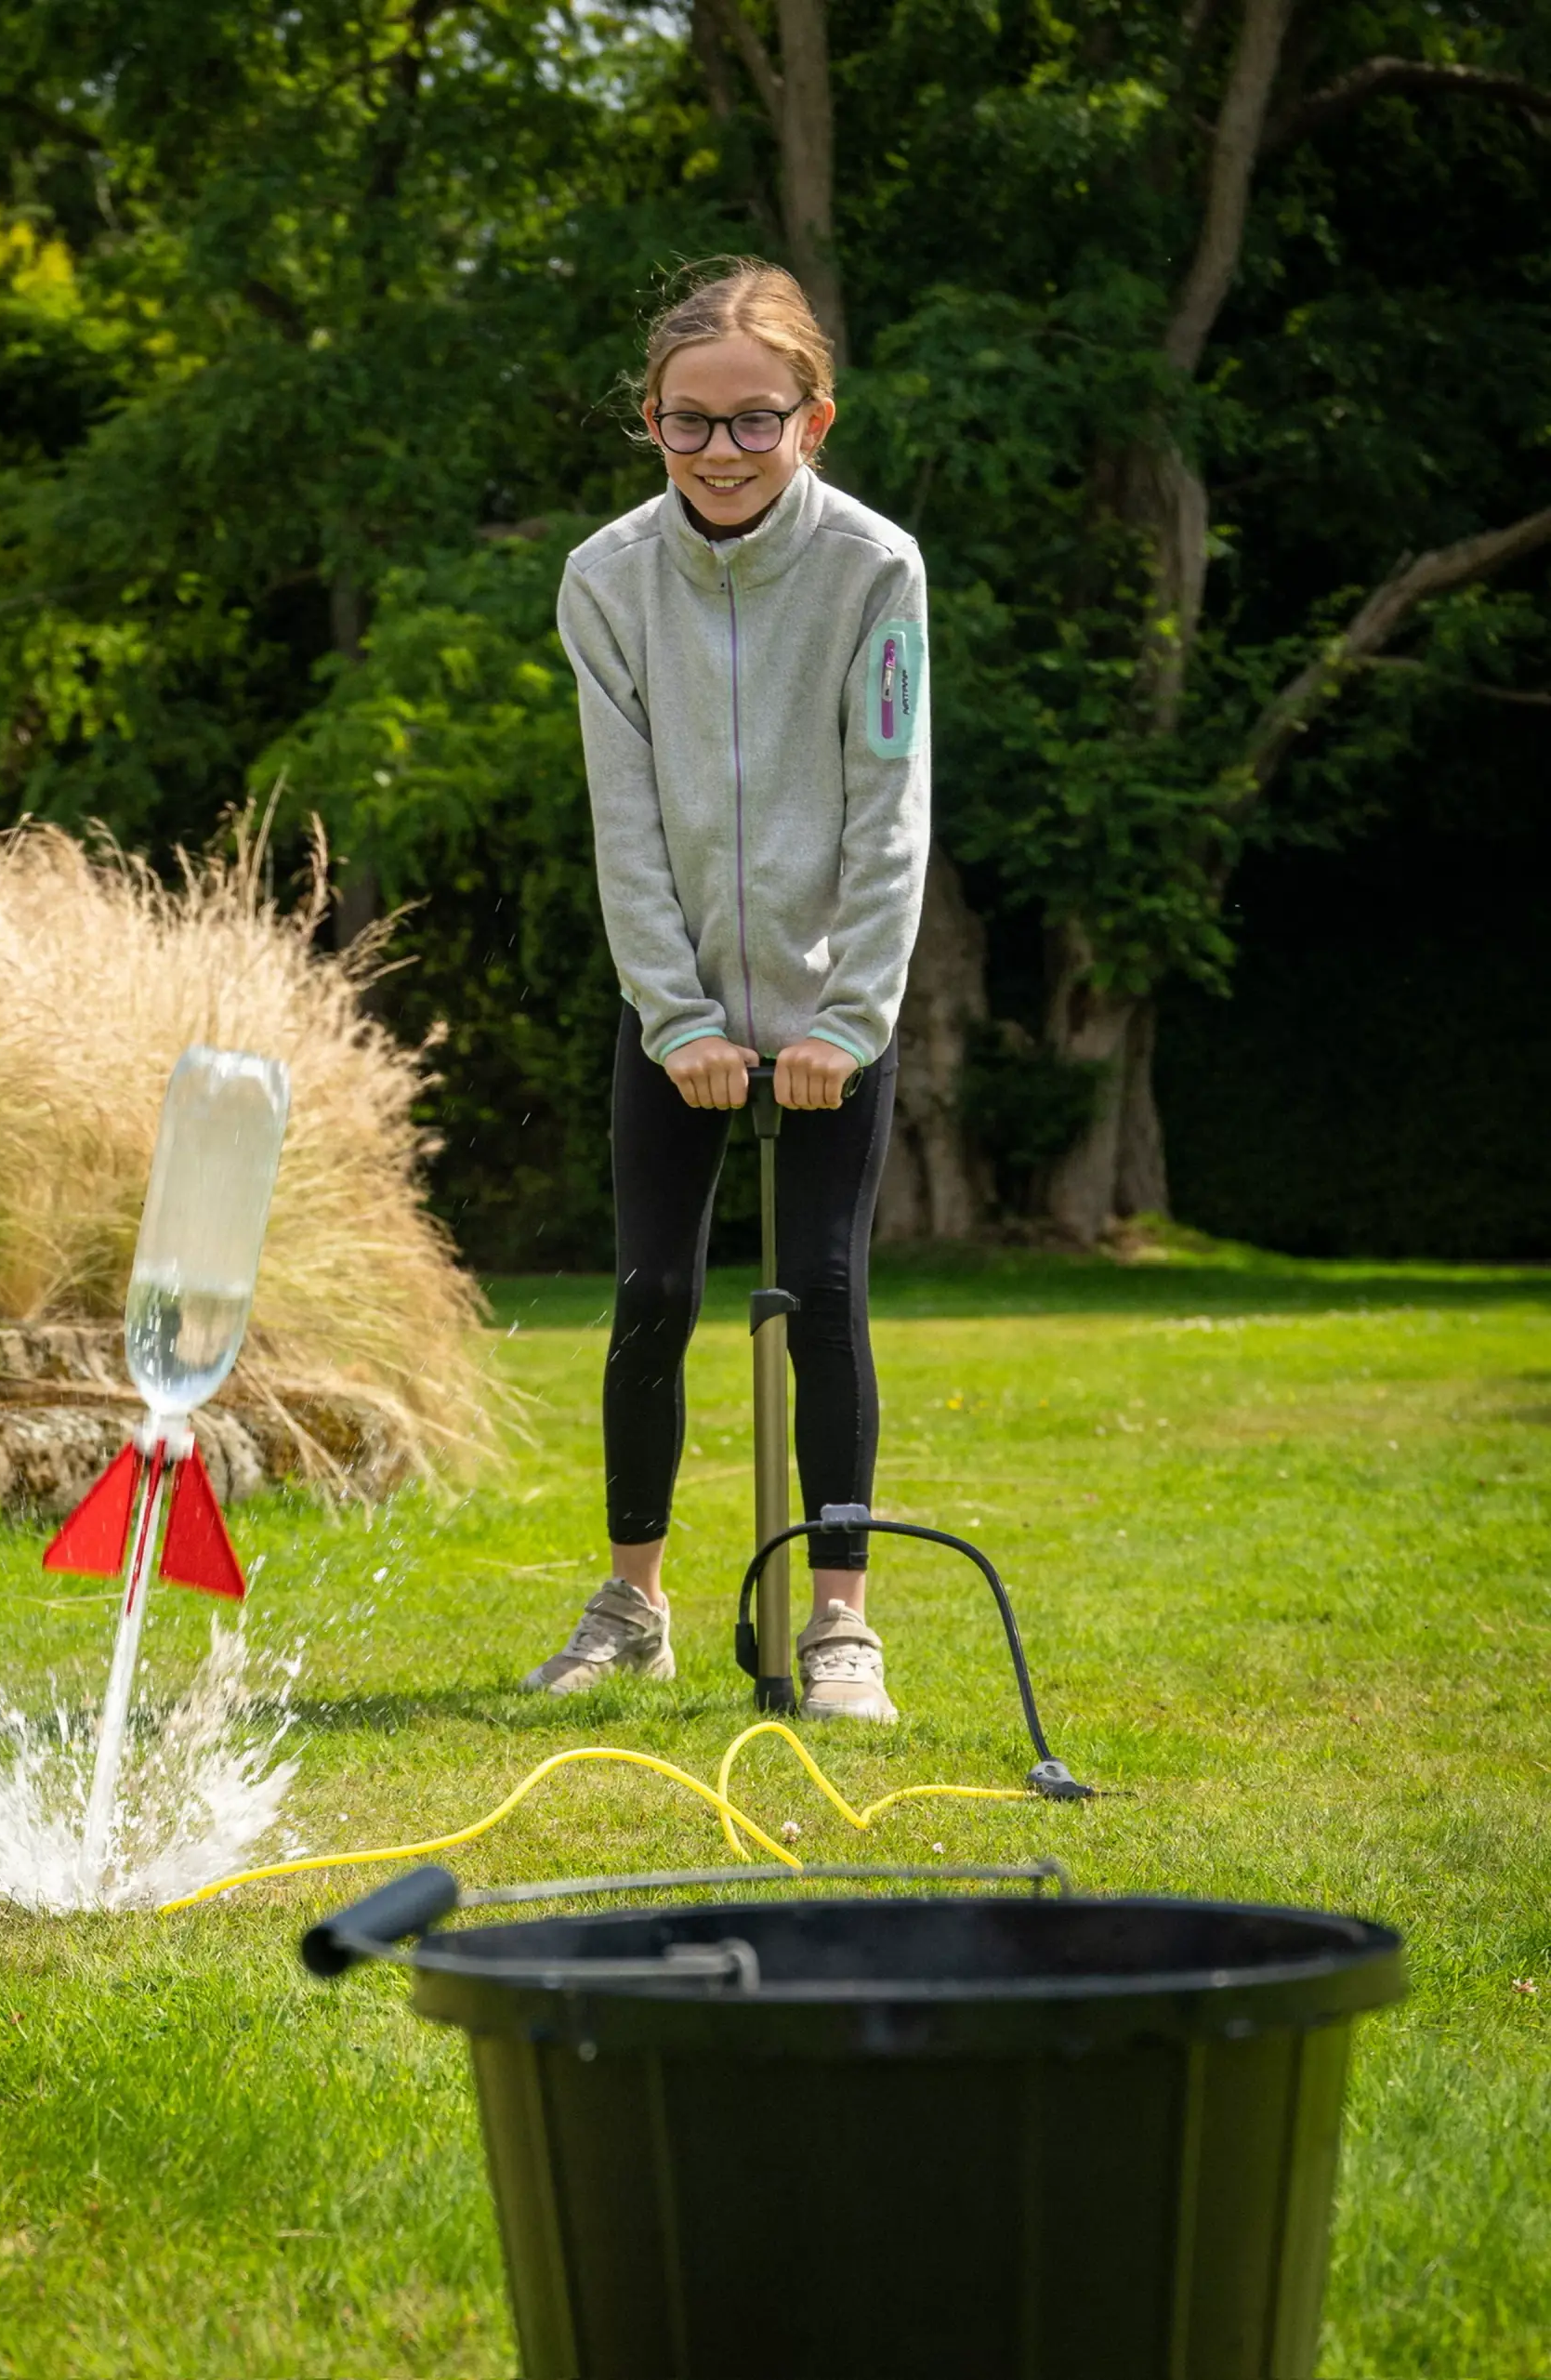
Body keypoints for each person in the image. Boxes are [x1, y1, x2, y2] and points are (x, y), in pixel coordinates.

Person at [524, 258, 929, 1720]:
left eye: (754, 422)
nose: (720, 452)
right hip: (676, 1008)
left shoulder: (875, 569)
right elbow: (624, 825)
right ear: (651, 421)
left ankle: (838, 1626)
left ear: (812, 420)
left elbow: (890, 811)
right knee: (653, 1292)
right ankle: (633, 1603)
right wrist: (679, 1019)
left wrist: (850, 1018)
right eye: (687, 424)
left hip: (835, 1006)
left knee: (823, 1289)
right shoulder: (606, 579)